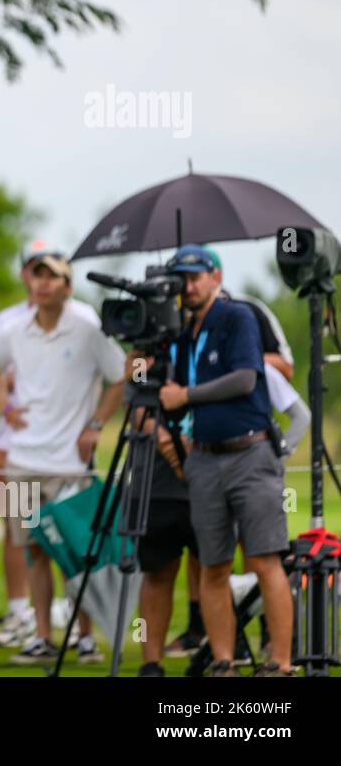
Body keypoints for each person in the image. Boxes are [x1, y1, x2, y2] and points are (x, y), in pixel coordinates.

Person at [158, 244, 295, 676]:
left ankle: (280, 662)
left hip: (250, 451)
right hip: (204, 456)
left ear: (215, 277)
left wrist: (187, 396)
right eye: (182, 278)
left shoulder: (237, 316)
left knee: (265, 559)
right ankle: (223, 660)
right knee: (213, 564)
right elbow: (168, 395)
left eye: (197, 276)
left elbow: (244, 378)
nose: (190, 285)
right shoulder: (180, 333)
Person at [0, 250, 125, 665]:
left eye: (54, 277)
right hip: (23, 461)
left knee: (74, 551)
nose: (43, 283)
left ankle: (83, 637)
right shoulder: (12, 329)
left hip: (68, 463)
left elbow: (119, 378)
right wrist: (6, 407)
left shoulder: (89, 328)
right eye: (38, 275)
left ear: (68, 286)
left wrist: (95, 425)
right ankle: (44, 636)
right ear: (30, 282)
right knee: (35, 549)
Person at [138, 360, 308, 676]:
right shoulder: (151, 359)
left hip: (225, 475)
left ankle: (265, 654)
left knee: (240, 563)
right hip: (162, 483)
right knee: (161, 571)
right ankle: (165, 660)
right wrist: (166, 442)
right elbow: (137, 405)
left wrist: (274, 457)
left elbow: (294, 397)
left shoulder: (243, 364)